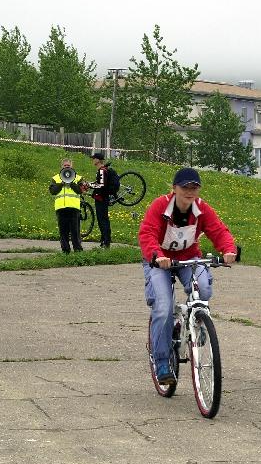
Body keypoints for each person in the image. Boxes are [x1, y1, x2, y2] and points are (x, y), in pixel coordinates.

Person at [138, 167, 237, 385]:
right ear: (174, 188)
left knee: (203, 287)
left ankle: (197, 322)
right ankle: (162, 361)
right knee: (163, 307)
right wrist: (157, 256)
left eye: (194, 187)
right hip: (160, 260)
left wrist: (229, 250)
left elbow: (219, 231)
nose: (190, 192)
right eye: (185, 187)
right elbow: (147, 233)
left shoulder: (202, 209)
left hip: (188, 258)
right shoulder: (159, 206)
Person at [49, 159, 84, 254]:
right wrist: (62, 183)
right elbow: (53, 191)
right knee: (63, 231)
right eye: (65, 165)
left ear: (71, 166)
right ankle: (65, 251)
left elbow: (80, 190)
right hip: (61, 208)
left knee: (75, 231)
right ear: (62, 166)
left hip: (73, 207)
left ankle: (78, 250)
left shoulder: (78, 177)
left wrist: (71, 183)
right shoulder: (56, 178)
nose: (67, 167)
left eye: (68, 165)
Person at [88, 152, 116, 248]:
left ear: (97, 160)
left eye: (93, 158)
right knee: (102, 219)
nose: (92, 160)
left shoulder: (102, 170)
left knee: (103, 220)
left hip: (101, 198)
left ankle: (106, 241)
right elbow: (99, 182)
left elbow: (101, 185)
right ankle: (104, 239)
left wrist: (90, 185)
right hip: (102, 198)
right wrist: (90, 184)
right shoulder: (102, 170)